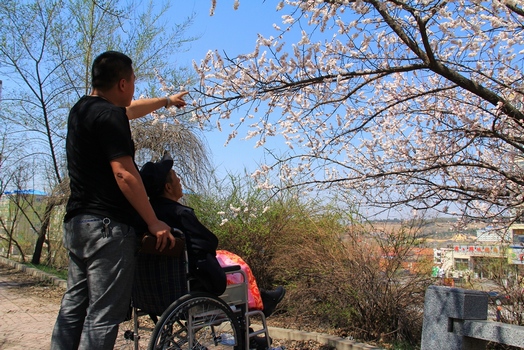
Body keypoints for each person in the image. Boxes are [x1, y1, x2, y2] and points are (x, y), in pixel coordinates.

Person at [50, 51, 188, 350]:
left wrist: (166, 101)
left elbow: (130, 110)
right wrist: (153, 221)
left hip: (78, 225)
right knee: (103, 314)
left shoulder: (82, 111)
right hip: (107, 228)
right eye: (134, 82)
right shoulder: (110, 116)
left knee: (73, 306)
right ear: (123, 83)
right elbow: (124, 173)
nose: (135, 89)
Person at [137, 153, 286, 318]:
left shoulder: (145, 216)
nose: (180, 181)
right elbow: (206, 245)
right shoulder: (180, 214)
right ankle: (260, 308)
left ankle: (263, 299)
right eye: (176, 178)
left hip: (153, 289)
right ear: (168, 187)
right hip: (185, 286)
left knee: (228, 262)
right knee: (238, 269)